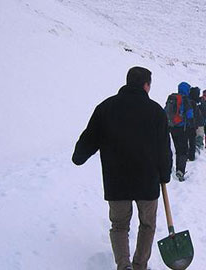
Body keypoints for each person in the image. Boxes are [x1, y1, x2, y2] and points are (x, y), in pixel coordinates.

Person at [72, 66, 172, 270]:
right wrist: (165, 173)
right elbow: (164, 148)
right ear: (146, 85)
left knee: (119, 226)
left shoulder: (105, 108)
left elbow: (89, 138)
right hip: (147, 182)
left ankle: (124, 265)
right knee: (147, 225)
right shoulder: (156, 112)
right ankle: (140, 264)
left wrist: (79, 156)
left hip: (116, 181)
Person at [166, 82, 194, 181]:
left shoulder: (171, 97)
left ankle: (175, 168)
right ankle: (180, 170)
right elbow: (190, 115)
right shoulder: (185, 100)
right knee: (183, 150)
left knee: (177, 148)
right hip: (182, 128)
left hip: (172, 127)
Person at [187, 86, 203, 161]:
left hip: (187, 124)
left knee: (189, 139)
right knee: (196, 137)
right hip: (196, 123)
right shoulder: (195, 102)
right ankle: (193, 153)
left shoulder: (187, 100)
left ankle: (188, 152)